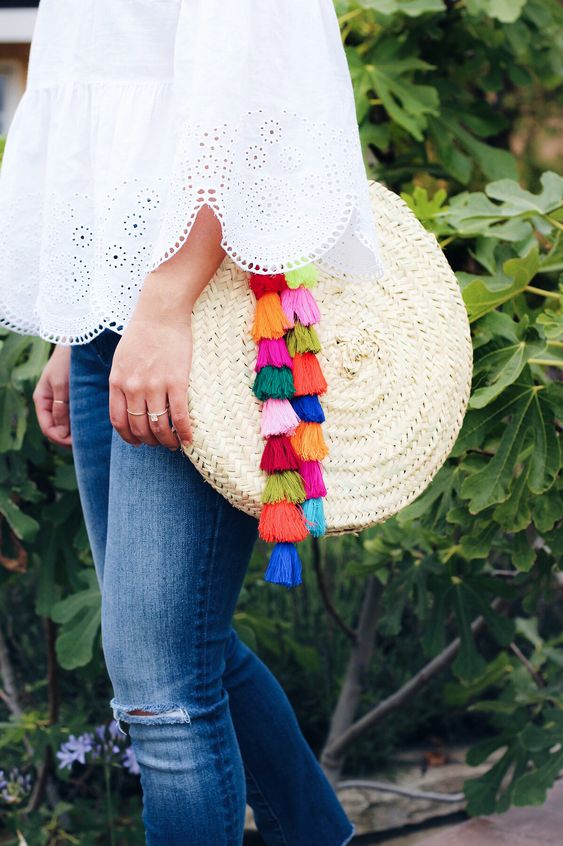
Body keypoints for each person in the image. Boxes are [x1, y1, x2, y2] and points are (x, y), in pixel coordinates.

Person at [0, 1, 384, 843]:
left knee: (161, 690)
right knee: (180, 656)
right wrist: (78, 324)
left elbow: (244, 95)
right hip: (115, 309)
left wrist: (168, 302)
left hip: (190, 303)